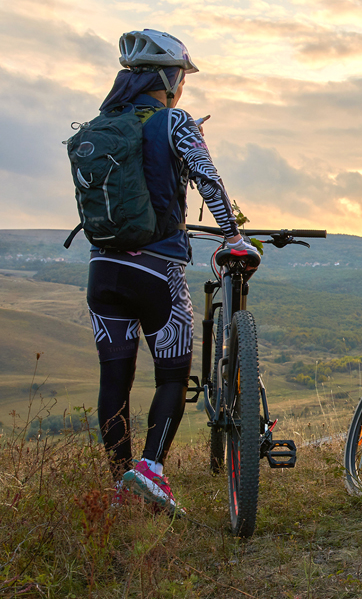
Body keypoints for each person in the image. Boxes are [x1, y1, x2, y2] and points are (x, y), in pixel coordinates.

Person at [87, 29, 259, 513]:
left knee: (113, 381)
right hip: (157, 272)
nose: (181, 84)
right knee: (171, 376)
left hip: (103, 272)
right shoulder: (174, 122)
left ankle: (120, 483)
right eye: (180, 75)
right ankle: (150, 471)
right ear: (168, 78)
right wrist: (232, 236)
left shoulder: (103, 125)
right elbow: (208, 180)